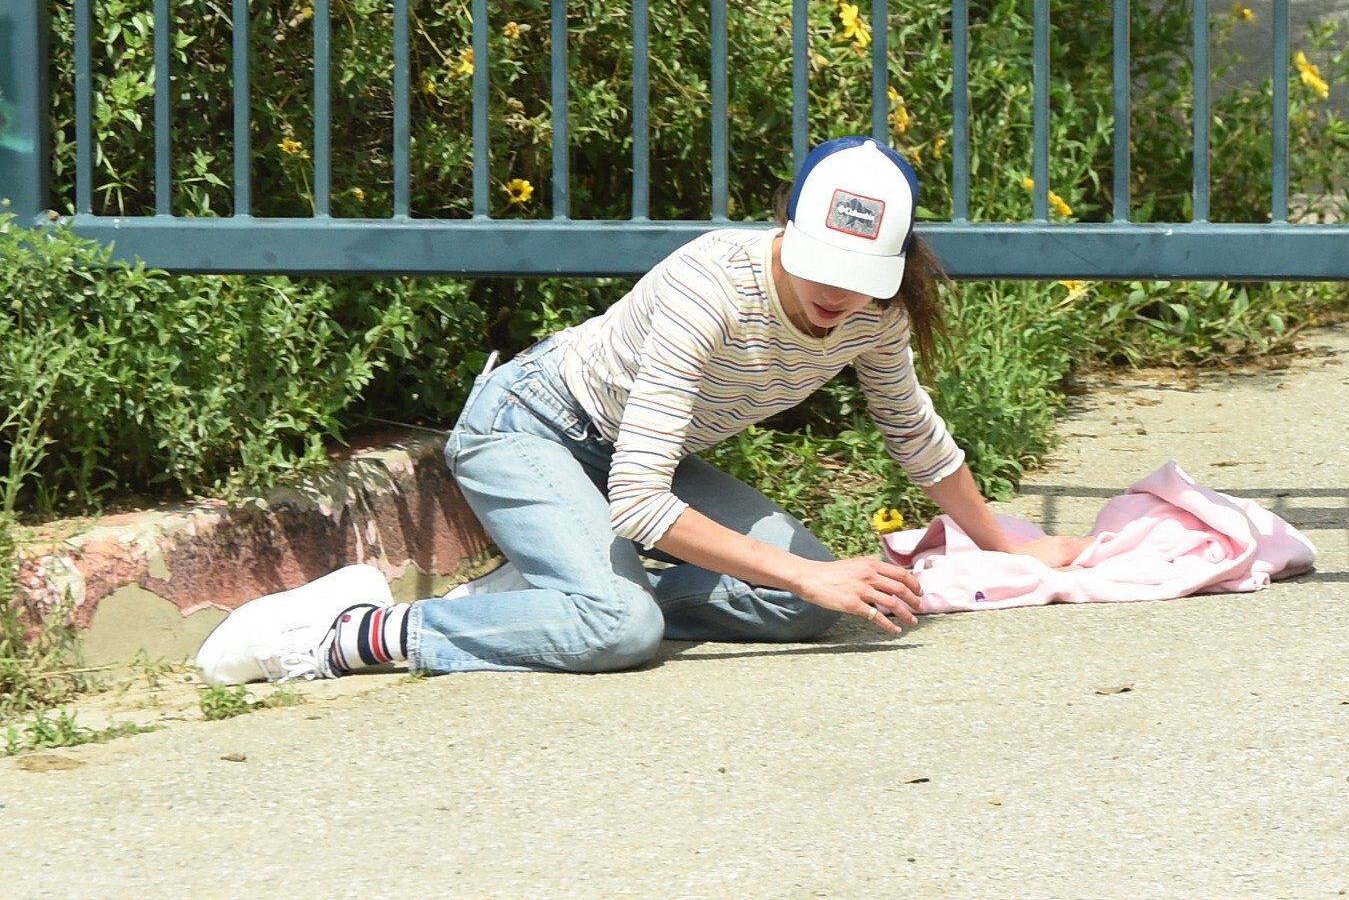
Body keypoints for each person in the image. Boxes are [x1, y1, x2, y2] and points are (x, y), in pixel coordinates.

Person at [197, 136, 1088, 684]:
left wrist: (1005, 546)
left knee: (814, 605)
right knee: (623, 628)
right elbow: (639, 502)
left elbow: (914, 434)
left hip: (632, 455)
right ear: (785, 228)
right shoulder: (712, 285)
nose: (836, 294)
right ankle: (349, 634)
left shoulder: (874, 314)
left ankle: (562, 589)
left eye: (859, 277)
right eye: (821, 264)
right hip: (530, 427)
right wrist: (802, 570)